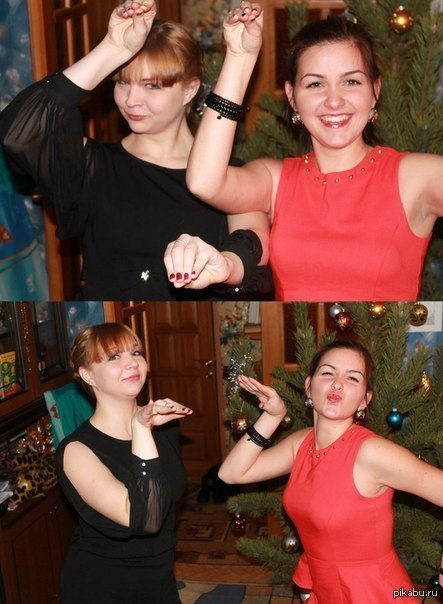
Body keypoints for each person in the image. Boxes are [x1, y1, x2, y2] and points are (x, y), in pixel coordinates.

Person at [0, 1, 270, 300]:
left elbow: (251, 245)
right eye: (123, 82)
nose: (131, 100)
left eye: (151, 86)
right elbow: (18, 131)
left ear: (190, 89)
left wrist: (223, 263)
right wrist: (114, 47)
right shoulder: (93, 164)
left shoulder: (226, 176)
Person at [186, 2, 443, 301]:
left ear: (375, 91)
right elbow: (204, 181)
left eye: (351, 81)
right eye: (315, 84)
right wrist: (240, 58)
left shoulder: (416, 177)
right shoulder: (275, 179)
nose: (334, 101)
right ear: (292, 97)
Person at [218, 340, 443, 603]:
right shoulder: (301, 443)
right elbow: (231, 473)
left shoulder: (372, 452)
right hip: (324, 587)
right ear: (308, 387)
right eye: (328, 373)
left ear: (365, 400)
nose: (337, 384)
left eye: (352, 378)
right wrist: (272, 417)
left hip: (373, 592)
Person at [55, 322, 193, 603]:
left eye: (136, 352)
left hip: (161, 580)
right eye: (114, 357)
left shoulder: (164, 427)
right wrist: (140, 429)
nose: (132, 363)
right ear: (87, 375)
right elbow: (145, 520)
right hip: (103, 587)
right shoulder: (76, 450)